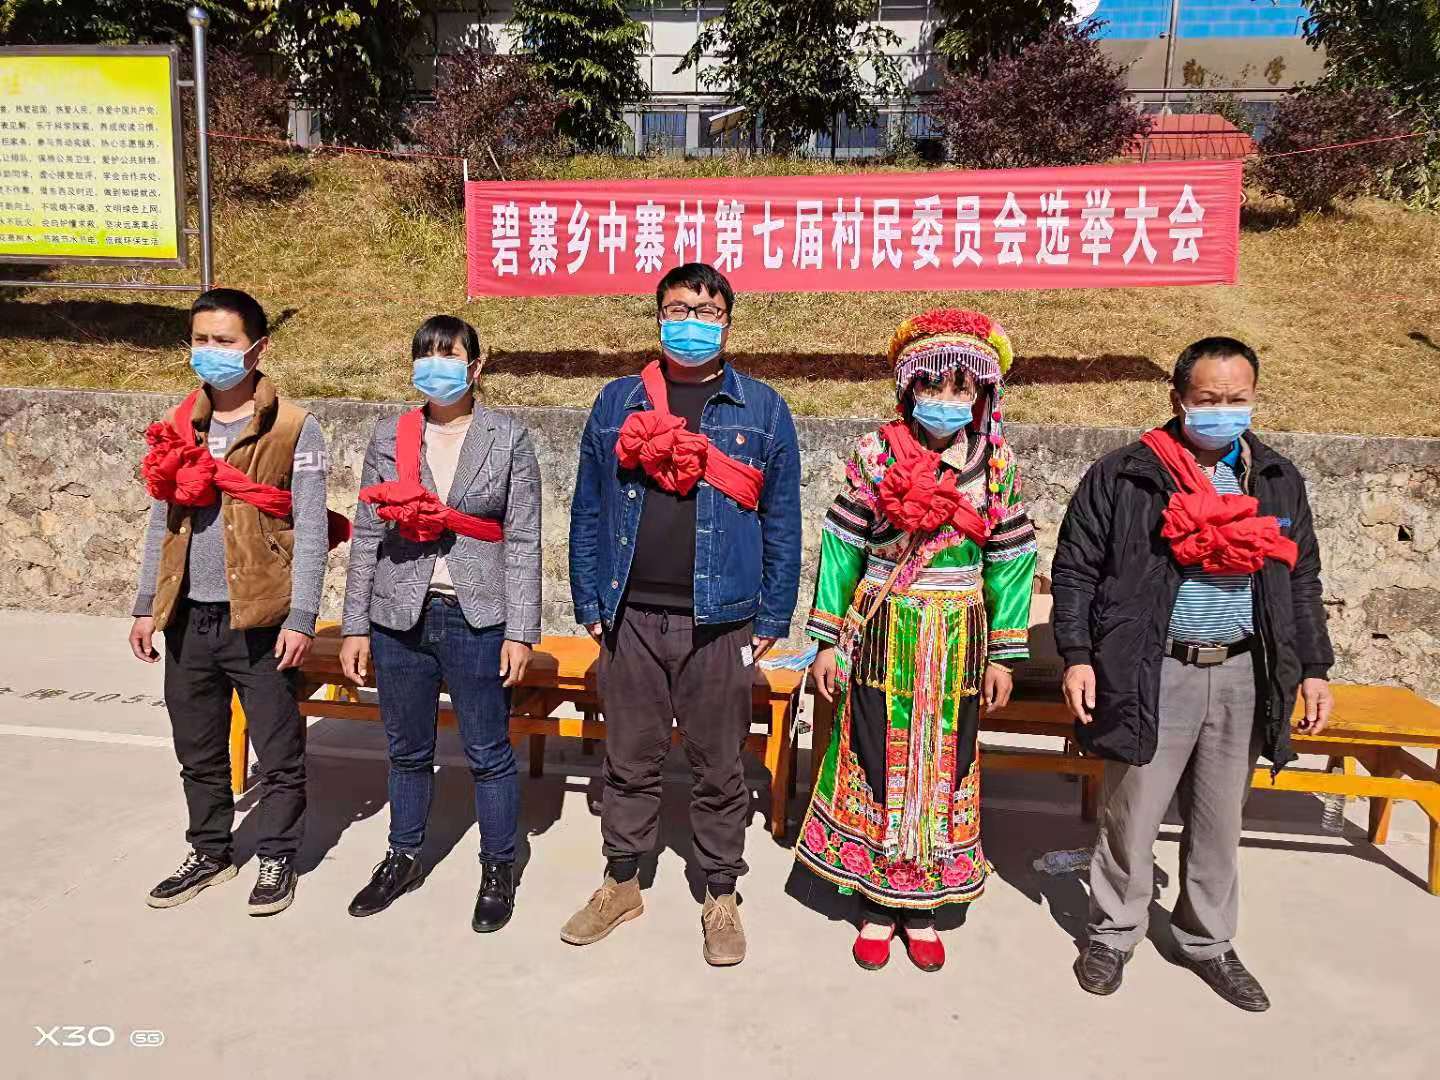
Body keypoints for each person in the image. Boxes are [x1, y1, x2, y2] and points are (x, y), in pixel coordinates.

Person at [1052, 336, 1335, 1012]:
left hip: (1242, 670)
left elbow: (1301, 579)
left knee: (1219, 819)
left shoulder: (1275, 478)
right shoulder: (1126, 476)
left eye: (1238, 399)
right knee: (1132, 812)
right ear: (1178, 399)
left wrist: (1314, 668)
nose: (1223, 410)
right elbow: (1076, 570)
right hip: (1153, 669)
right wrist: (1078, 655)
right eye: (1209, 398)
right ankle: (1113, 931)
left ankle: (1206, 940)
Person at [561, 262, 801, 966]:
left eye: (706, 311)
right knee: (628, 759)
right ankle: (621, 881)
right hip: (630, 614)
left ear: (727, 323)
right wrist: (590, 601)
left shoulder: (762, 409)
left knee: (719, 764)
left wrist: (771, 616)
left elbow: (782, 519)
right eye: (677, 309)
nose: (691, 323)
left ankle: (721, 892)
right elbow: (588, 508)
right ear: (658, 316)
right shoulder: (617, 402)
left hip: (720, 621)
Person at [796, 309, 1036, 972]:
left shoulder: (996, 464)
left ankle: (924, 903)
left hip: (958, 637)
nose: (948, 398)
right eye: (934, 384)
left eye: (963, 386)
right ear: (910, 388)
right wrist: (825, 640)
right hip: (885, 628)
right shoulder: (874, 454)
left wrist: (1004, 653)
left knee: (945, 761)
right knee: (878, 753)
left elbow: (1011, 560)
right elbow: (843, 546)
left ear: (982, 393)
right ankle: (877, 899)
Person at [130, 288, 336, 916]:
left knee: (278, 753)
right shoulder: (178, 424)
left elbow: (311, 530)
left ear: (257, 347)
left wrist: (302, 617)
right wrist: (146, 604)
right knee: (198, 749)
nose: (210, 351)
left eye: (224, 340)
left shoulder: (294, 427)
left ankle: (277, 856)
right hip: (189, 615)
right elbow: (162, 520)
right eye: (200, 340)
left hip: (261, 618)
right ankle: (209, 851)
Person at [338, 315, 541, 933]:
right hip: (399, 614)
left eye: (449, 355)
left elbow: (524, 538)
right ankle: (402, 856)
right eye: (425, 354)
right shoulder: (392, 434)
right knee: (406, 750)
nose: (436, 366)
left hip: (477, 616)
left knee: (488, 752)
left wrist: (520, 631)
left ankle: (498, 866)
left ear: (476, 366)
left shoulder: (508, 436)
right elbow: (367, 532)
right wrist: (354, 626)